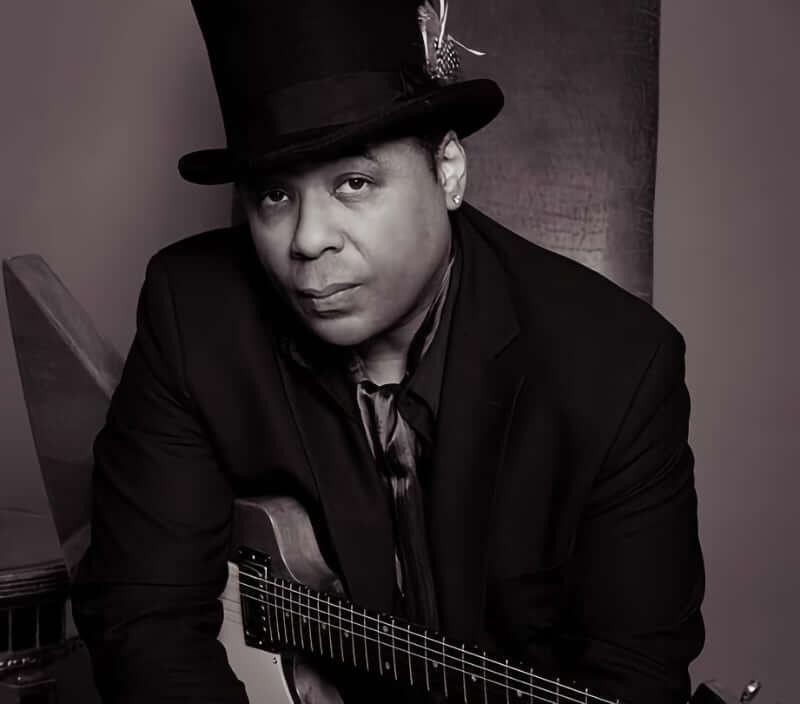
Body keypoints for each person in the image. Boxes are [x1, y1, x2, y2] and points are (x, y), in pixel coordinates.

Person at [71, 1, 705, 703]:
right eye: (275, 194)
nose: (308, 238)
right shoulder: (193, 313)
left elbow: (637, 676)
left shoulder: (617, 369)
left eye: (354, 182)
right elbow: (143, 617)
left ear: (450, 170)